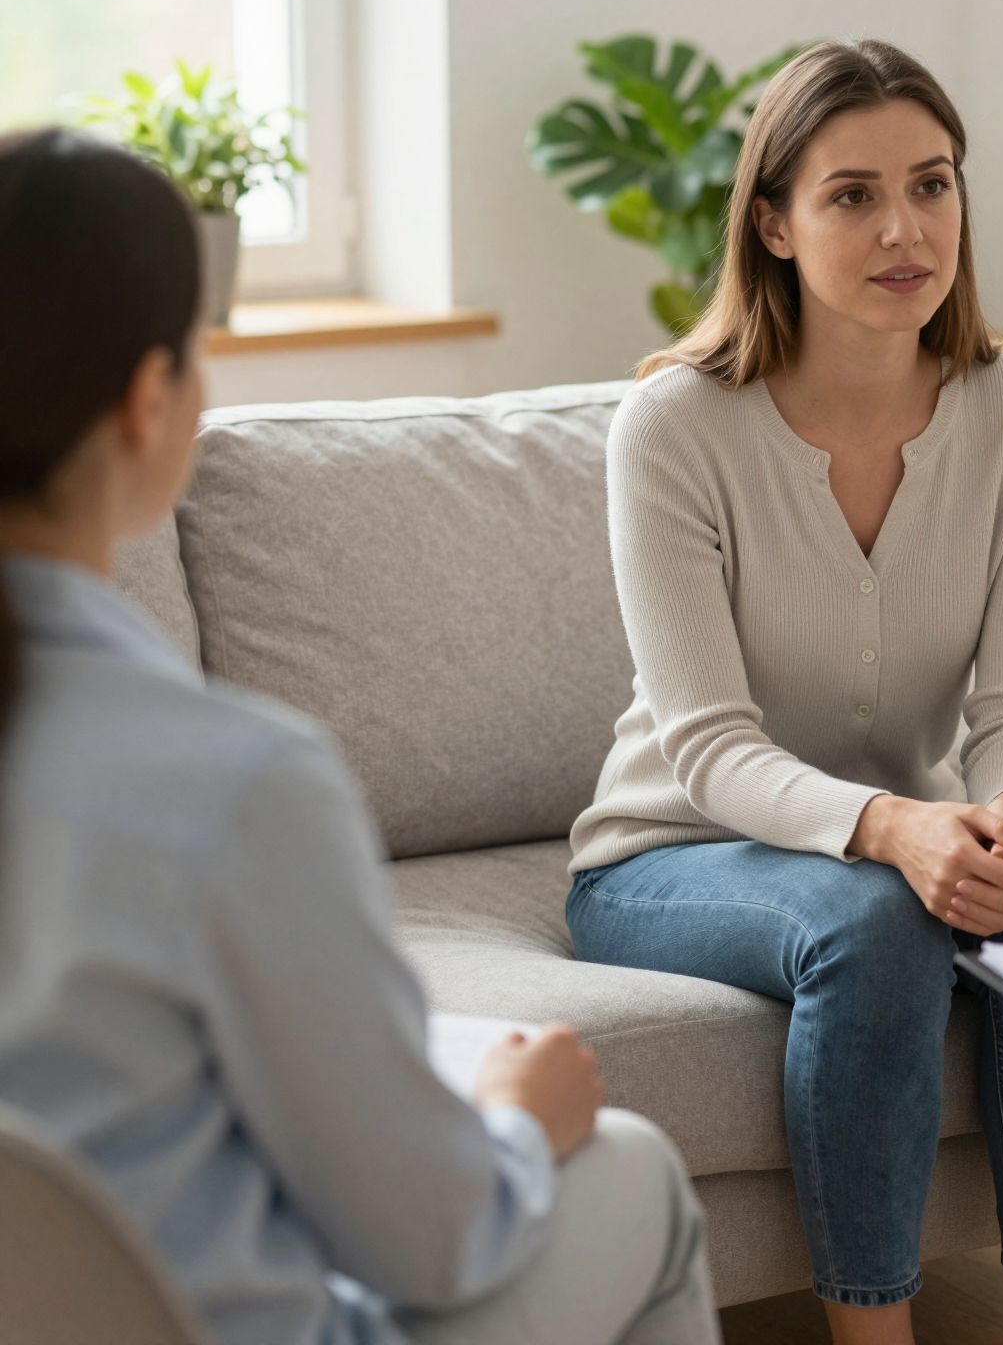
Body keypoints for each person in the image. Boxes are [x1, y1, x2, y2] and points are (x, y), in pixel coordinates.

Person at [0, 128, 719, 1345]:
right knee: (635, 1173)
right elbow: (432, 1241)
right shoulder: (233, 787)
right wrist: (510, 1121)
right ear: (146, 399)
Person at [563, 39, 1003, 1345]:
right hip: (672, 850)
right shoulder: (677, 428)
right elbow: (706, 746)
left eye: (932, 186)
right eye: (852, 195)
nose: (904, 228)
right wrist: (894, 828)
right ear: (772, 222)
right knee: (874, 918)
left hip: (906, 830)